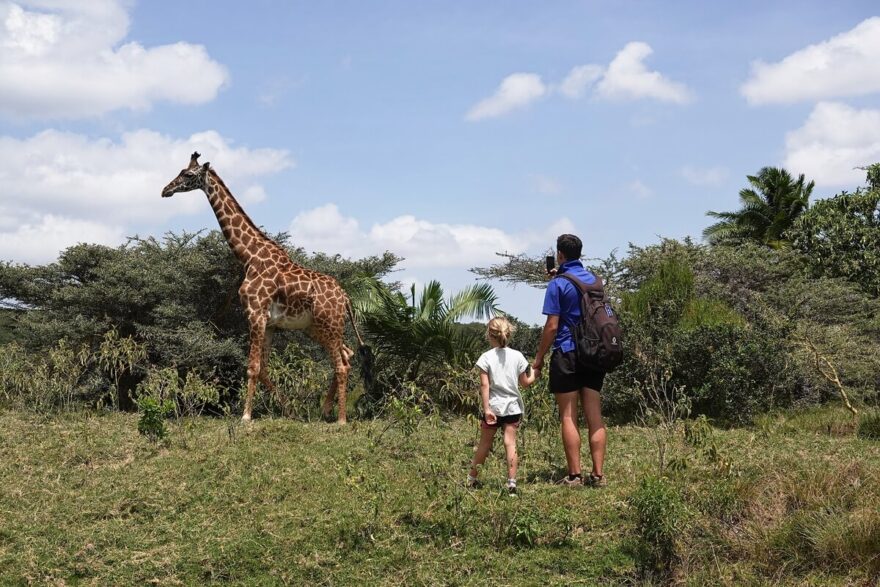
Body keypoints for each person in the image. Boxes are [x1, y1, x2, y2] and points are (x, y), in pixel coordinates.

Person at [532, 234, 608, 488]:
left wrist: (539, 358)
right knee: (594, 415)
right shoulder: (595, 281)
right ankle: (598, 475)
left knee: (568, 415)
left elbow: (552, 326)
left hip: (567, 351)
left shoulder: (557, 285)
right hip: (595, 352)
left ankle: (574, 475)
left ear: (560, 254)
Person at [467, 317, 539, 496]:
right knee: (510, 443)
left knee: (484, 444)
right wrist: (535, 374)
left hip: (493, 407)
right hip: (513, 408)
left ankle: (472, 479)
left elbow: (485, 386)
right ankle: (512, 484)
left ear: (489, 335)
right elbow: (525, 383)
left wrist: (487, 409)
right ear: (509, 333)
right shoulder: (518, 356)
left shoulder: (486, 358)